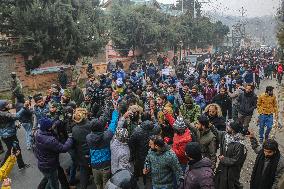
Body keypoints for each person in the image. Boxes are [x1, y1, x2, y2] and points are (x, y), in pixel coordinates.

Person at [34, 117, 73, 189]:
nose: (53, 125)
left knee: (49, 179)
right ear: (49, 128)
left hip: (43, 163)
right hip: (50, 165)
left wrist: (59, 121)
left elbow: (52, 125)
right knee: (54, 184)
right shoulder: (50, 140)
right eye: (51, 125)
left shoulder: (38, 132)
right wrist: (70, 138)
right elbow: (63, 148)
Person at [86, 105, 118, 189]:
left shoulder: (88, 137)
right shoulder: (107, 136)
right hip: (106, 165)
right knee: (106, 184)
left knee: (98, 185)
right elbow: (113, 124)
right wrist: (115, 111)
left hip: (94, 166)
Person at [215, 121, 247, 189]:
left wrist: (223, 159)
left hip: (231, 172)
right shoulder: (226, 136)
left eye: (229, 127)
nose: (227, 127)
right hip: (223, 168)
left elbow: (236, 160)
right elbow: (216, 132)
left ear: (233, 130)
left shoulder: (240, 145)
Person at [0, 100, 29, 170]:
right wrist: (24, 107)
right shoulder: (3, 114)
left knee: (14, 150)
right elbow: (16, 116)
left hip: (8, 135)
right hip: (9, 136)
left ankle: (21, 165)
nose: (9, 105)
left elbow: (6, 125)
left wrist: (15, 126)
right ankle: (2, 166)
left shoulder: (3, 112)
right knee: (12, 151)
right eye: (7, 104)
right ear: (3, 107)